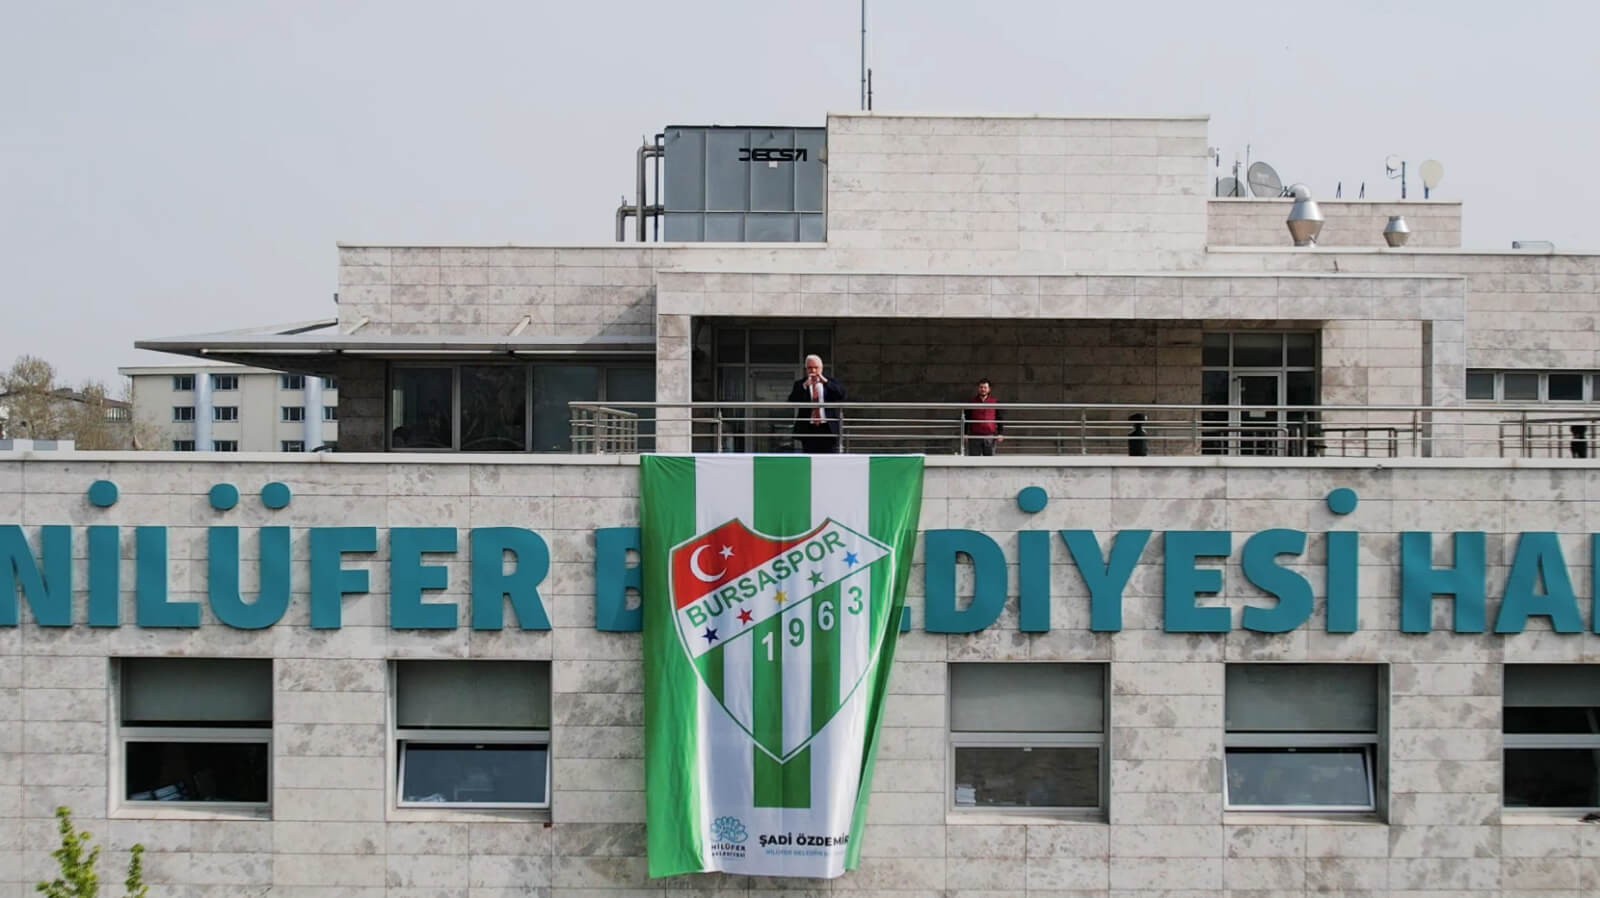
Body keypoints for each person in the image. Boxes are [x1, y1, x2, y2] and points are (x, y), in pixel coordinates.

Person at [788, 354, 846, 453]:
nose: (813, 371)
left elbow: (841, 395)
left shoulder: (830, 382)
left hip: (827, 427)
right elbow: (792, 400)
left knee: (829, 455)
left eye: (816, 367)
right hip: (808, 427)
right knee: (809, 455)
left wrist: (826, 382)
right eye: (810, 368)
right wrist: (805, 386)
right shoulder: (800, 384)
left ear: (821, 368)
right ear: (806, 369)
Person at [962, 378, 1004, 456]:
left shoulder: (995, 402)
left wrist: (1000, 433)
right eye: (981, 387)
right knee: (974, 459)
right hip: (974, 436)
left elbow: (999, 418)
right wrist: (965, 433)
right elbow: (966, 418)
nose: (983, 389)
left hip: (989, 436)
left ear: (989, 389)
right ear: (978, 388)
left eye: (985, 387)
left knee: (989, 460)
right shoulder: (972, 402)